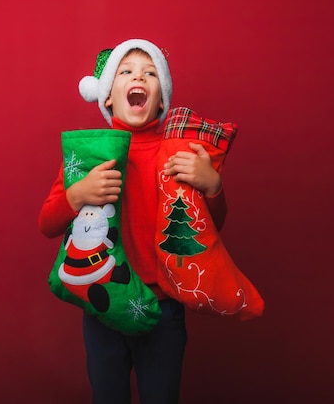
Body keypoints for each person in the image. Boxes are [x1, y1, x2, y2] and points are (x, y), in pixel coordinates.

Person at [38, 38, 228, 404]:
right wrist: (77, 196)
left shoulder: (179, 154)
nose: (138, 76)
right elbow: (46, 223)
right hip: (104, 305)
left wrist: (213, 185)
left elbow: (211, 229)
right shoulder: (89, 158)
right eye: (126, 71)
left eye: (150, 72)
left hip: (162, 309)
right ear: (107, 96)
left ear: (161, 99)